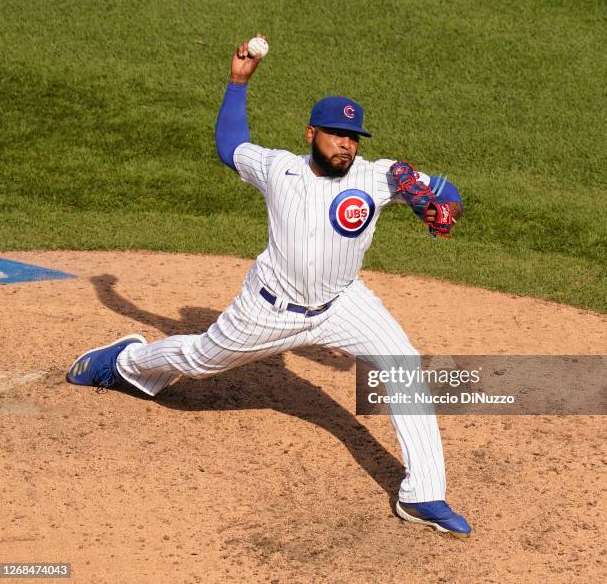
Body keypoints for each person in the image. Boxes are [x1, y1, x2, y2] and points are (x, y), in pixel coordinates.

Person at [67, 38, 471, 537]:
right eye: (336, 134)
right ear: (311, 133)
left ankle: (423, 494)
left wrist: (441, 205)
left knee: (403, 365)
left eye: (354, 136)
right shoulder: (278, 168)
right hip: (268, 309)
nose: (346, 144)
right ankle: (125, 363)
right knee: (198, 361)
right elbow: (228, 146)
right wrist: (238, 83)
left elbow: (441, 191)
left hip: (343, 303)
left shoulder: (378, 176)